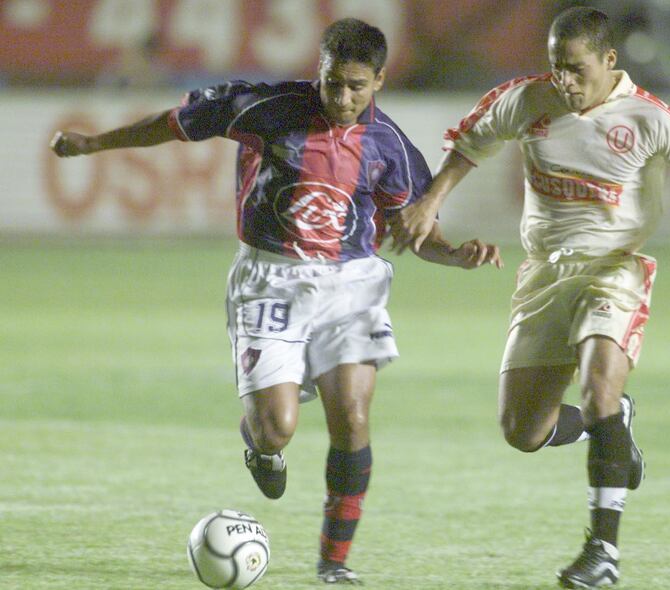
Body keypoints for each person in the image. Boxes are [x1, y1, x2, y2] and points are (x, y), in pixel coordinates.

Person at [50, 18, 501, 585]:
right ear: (319, 69)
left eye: (355, 86)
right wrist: (95, 143)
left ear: (380, 80)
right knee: (276, 427)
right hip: (270, 280)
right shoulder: (264, 108)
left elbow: (416, 231)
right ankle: (261, 448)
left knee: (354, 418)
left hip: (351, 284)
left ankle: (333, 564)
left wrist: (456, 254)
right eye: (332, 82)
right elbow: (176, 123)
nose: (341, 97)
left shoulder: (390, 148)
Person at [390, 6, 670, 588]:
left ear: (608, 62)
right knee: (524, 431)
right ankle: (613, 426)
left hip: (613, 269)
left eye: (575, 69)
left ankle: (603, 552)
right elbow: (471, 142)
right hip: (546, 274)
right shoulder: (527, 100)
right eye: (555, 68)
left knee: (596, 390)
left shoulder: (649, 117)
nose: (564, 82)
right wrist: (430, 201)